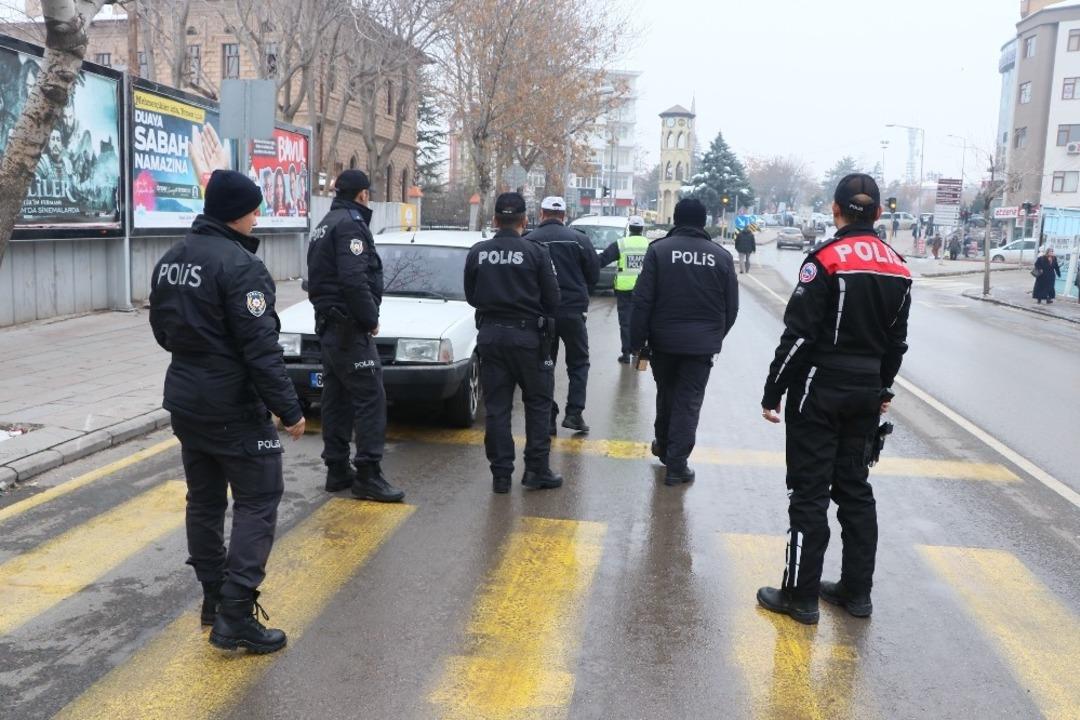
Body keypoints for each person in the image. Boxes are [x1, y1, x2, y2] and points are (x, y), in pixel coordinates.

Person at [149, 169, 305, 654]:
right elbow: (261, 349)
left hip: (186, 400)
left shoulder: (172, 259)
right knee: (259, 500)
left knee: (205, 500)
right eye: (255, 209)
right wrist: (290, 410)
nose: (258, 217)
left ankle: (214, 599)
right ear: (238, 212)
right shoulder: (241, 267)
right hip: (233, 406)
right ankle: (236, 614)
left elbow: (162, 330)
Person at [757, 173, 912, 625]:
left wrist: (773, 391)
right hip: (865, 393)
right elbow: (896, 344)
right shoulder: (898, 266)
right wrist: (881, 388)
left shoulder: (825, 260)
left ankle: (800, 598)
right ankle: (856, 592)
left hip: (819, 390)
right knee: (856, 491)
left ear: (835, 209)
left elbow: (800, 337)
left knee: (809, 494)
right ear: (880, 213)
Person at [307, 170, 405, 502]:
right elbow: (352, 279)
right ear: (362, 195)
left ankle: (337, 469)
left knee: (336, 398)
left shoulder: (326, 222)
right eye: (368, 193)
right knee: (370, 398)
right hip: (349, 328)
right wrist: (370, 318)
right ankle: (368, 474)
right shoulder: (350, 225)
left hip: (330, 327)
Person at [630, 198, 739, 486]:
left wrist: (636, 341)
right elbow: (732, 307)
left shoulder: (659, 251)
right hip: (701, 346)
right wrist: (714, 336)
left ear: (676, 220)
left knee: (666, 393)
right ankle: (677, 464)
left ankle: (665, 446)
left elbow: (642, 301)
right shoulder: (721, 256)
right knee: (688, 402)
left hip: (663, 342)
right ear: (704, 222)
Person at [463, 192, 563, 494]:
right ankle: (536, 470)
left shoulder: (479, 252)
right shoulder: (536, 252)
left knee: (497, 407)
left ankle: (501, 475)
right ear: (524, 220)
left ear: (494, 220)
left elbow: (471, 296)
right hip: (529, 339)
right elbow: (553, 300)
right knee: (537, 403)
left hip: (492, 337)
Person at [528, 196, 600, 434]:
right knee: (579, 363)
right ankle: (574, 413)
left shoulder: (529, 240)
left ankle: (548, 416)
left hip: (543, 313)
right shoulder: (580, 240)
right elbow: (593, 275)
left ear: (542, 214)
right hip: (573, 311)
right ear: (564, 215)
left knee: (545, 364)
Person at [598, 215, 649, 363]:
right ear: (642, 229)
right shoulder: (650, 244)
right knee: (642, 321)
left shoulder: (621, 244)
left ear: (629, 229)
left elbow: (602, 259)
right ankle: (639, 353)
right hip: (644, 290)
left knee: (625, 321)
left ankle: (626, 353)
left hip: (624, 289)